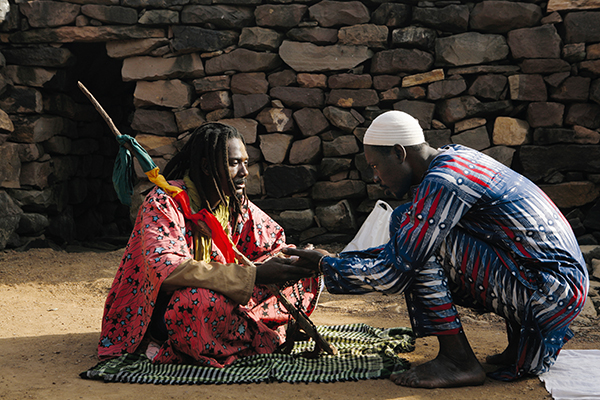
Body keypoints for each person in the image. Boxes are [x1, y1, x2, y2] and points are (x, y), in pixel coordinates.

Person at [284, 110, 589, 388]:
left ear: (399, 153)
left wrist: (327, 265)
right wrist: (337, 260)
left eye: (376, 165)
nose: (375, 177)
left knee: (416, 238)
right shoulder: (455, 159)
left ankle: (458, 361)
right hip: (557, 287)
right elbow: (401, 250)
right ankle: (513, 345)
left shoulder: (445, 181)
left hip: (549, 294)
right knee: (414, 232)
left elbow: (395, 270)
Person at [98, 122, 319, 367]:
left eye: (245, 162)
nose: (244, 171)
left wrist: (302, 258)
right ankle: (242, 332)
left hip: (228, 297)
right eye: (234, 163)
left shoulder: (233, 203)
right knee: (198, 302)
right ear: (206, 166)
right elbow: (167, 270)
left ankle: (238, 330)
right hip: (172, 307)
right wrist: (252, 276)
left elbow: (272, 243)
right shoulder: (164, 202)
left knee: (299, 275)